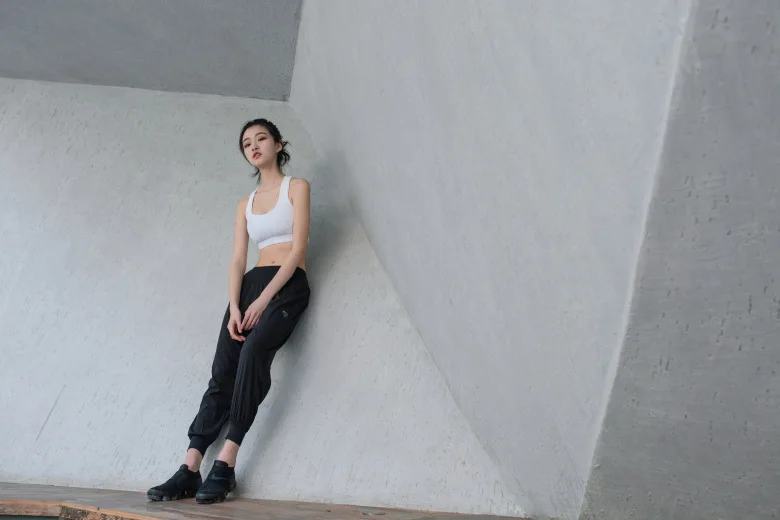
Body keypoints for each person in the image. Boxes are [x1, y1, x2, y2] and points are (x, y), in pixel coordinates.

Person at [147, 118, 311, 504]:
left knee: (253, 354)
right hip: (249, 287)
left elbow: (298, 249)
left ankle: (226, 463)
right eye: (246, 143)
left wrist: (263, 300)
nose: (253, 146)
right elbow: (238, 259)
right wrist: (236, 305)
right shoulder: (245, 204)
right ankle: (190, 467)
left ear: (278, 144)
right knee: (222, 372)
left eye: (261, 138)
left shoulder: (297, 187)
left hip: (286, 286)